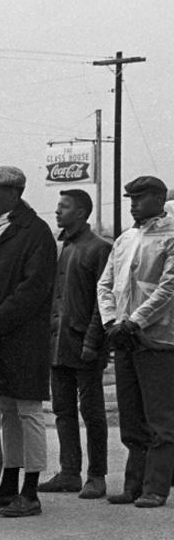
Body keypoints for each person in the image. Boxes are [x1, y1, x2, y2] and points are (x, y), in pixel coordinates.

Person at [0, 166, 57, 518]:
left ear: (15, 193)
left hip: (24, 338)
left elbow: (33, 289)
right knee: (7, 412)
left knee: (28, 412)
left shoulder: (36, 233)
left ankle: (29, 491)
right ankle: (8, 484)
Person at [97, 175, 174, 507]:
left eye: (140, 198)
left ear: (158, 198)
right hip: (124, 338)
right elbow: (105, 284)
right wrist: (112, 321)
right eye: (130, 198)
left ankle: (156, 487)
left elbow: (168, 289)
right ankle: (133, 484)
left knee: (160, 418)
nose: (133, 204)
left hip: (156, 339)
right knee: (130, 417)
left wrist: (134, 321)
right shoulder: (125, 239)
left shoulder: (170, 236)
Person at [39, 188, 111, 499]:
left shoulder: (98, 248)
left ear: (81, 212)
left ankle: (97, 475)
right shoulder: (63, 247)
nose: (57, 211)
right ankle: (69, 472)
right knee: (62, 409)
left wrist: (93, 341)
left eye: (64, 206)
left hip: (86, 344)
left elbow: (103, 300)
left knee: (92, 411)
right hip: (59, 343)